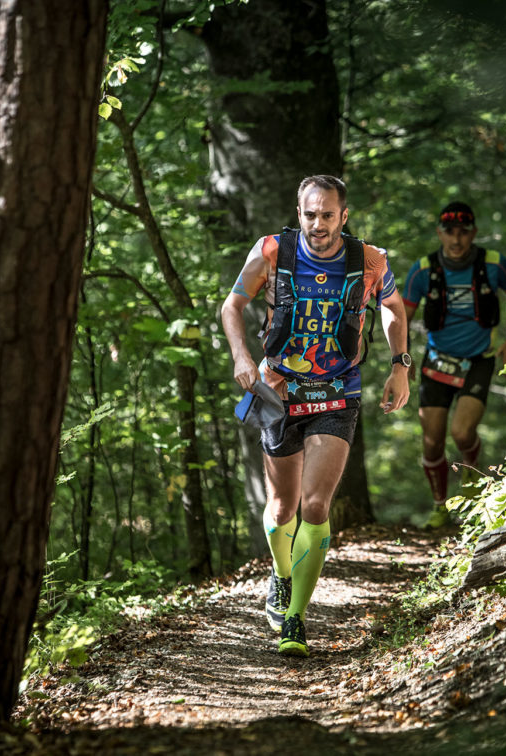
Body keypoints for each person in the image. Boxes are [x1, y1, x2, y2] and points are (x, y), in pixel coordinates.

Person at [221, 174, 411, 657]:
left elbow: (392, 307)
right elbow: (233, 305)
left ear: (344, 216)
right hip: (278, 390)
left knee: (315, 506)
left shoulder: (369, 260)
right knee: (283, 508)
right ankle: (281, 578)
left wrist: (400, 366)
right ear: (299, 211)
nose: (319, 224)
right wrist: (243, 359)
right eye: (311, 214)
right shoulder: (271, 252)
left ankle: (296, 618)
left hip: (337, 391)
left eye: (329, 215)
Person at [402, 201, 506, 529]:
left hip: (478, 361)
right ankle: (440, 506)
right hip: (437, 362)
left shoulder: (493, 264)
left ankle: (471, 473)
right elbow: (402, 315)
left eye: (463, 233)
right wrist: (401, 359)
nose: (456, 241)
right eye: (449, 233)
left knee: (462, 432)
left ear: (473, 233)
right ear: (439, 233)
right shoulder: (423, 269)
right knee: (432, 440)